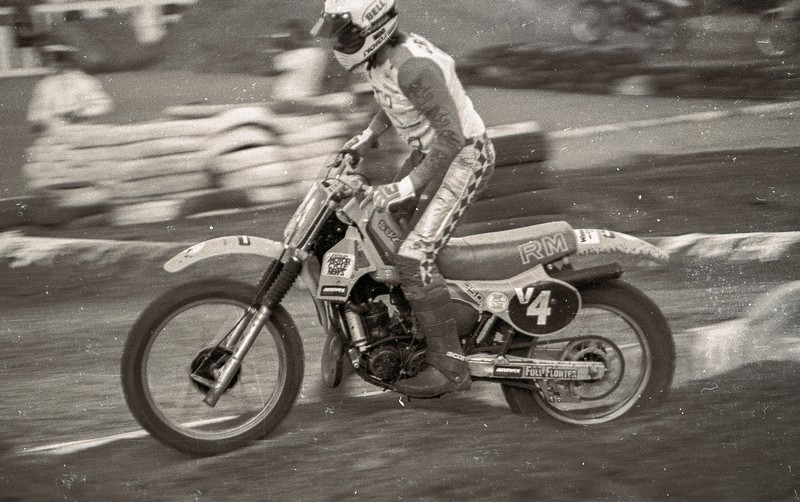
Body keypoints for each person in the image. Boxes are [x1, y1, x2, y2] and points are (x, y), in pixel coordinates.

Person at [311, 0, 495, 398]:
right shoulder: (380, 60)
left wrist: (407, 186)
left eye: (346, 34)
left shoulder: (414, 69)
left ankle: (450, 365)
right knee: (377, 233)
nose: (339, 43)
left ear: (372, 28)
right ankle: (385, 332)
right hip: (431, 155)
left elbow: (452, 138)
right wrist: (367, 137)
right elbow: (391, 101)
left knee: (413, 257)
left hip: (464, 158)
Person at [27, 43, 113, 134]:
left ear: (70, 62)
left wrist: (79, 114)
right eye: (54, 62)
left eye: (61, 61)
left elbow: (104, 105)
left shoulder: (85, 82)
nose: (57, 65)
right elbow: (36, 114)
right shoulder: (45, 85)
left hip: (83, 130)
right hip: (55, 132)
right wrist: (45, 121)